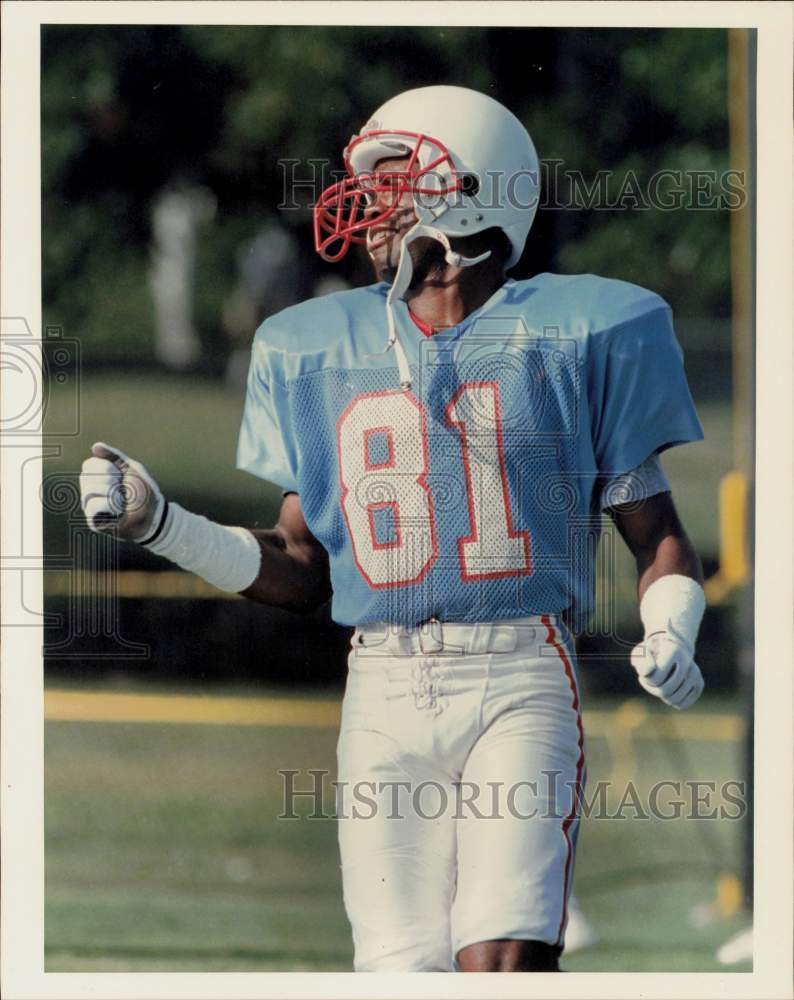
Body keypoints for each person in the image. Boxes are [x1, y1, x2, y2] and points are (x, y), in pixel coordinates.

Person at [79, 85, 706, 972]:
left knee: (501, 961)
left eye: (395, 181)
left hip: (520, 675)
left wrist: (670, 627)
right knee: (398, 971)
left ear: (476, 190)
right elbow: (302, 567)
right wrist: (164, 525)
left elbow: (658, 534)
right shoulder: (314, 346)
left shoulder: (581, 334)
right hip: (378, 683)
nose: (371, 206)